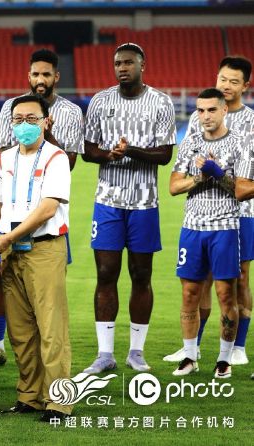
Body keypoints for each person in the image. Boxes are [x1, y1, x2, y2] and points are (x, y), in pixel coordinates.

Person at [0, 94, 72, 421]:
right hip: (9, 251)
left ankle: (59, 403)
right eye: (18, 119)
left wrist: (6, 237)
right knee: (21, 330)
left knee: (51, 328)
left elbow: (47, 208)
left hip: (43, 247)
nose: (24, 125)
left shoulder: (56, 158)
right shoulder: (4, 159)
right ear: (10, 123)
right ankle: (30, 396)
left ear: (45, 122)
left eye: (31, 119)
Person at [81, 42, 176, 374]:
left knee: (142, 274)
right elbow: (87, 150)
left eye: (128, 63)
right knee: (106, 273)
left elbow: (165, 155)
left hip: (144, 203)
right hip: (107, 202)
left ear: (142, 64)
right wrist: (109, 155)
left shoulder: (161, 102)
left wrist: (130, 150)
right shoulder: (100, 101)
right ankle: (104, 354)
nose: (122, 68)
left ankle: (136, 351)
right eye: (118, 63)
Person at [0, 48, 84, 368]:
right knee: (20, 322)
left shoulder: (70, 112)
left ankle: (57, 400)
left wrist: (46, 132)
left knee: (49, 316)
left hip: (44, 231)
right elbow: (5, 150)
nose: (40, 80)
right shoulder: (10, 107)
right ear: (28, 76)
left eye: (46, 74)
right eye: (35, 74)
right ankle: (27, 393)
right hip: (11, 228)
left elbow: (67, 161)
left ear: (56, 76)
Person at [164, 56, 254, 365]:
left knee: (238, 278)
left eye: (233, 81)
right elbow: (186, 164)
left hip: (244, 211)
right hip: (203, 214)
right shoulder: (198, 119)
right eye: (222, 79)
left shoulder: (251, 123)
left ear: (245, 85)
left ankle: (237, 346)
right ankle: (194, 347)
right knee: (198, 280)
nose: (226, 85)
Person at [169, 88, 241, 379]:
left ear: (224, 110)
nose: (205, 116)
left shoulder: (240, 144)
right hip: (192, 228)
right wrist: (200, 177)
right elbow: (174, 186)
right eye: (200, 110)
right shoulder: (190, 143)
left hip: (225, 227)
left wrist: (218, 172)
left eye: (211, 109)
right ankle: (189, 355)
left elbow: (243, 189)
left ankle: (224, 359)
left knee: (225, 295)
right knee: (189, 294)